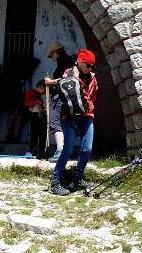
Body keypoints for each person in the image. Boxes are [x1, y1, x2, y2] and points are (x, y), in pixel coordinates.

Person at [48, 48, 100, 195]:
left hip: (87, 115)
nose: (90, 69)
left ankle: (78, 178)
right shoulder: (68, 74)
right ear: (80, 62)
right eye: (88, 65)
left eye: (92, 66)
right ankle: (55, 182)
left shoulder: (93, 77)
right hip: (69, 117)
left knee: (87, 148)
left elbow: (93, 95)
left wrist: (88, 107)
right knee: (68, 150)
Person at [42, 43, 74, 161]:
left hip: (60, 97)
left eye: (52, 55)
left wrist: (50, 82)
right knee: (64, 123)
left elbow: (65, 79)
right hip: (64, 97)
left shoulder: (63, 62)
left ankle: (60, 151)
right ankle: (64, 151)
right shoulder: (66, 61)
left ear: (56, 52)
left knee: (54, 122)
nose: (52, 58)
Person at [24, 80, 48, 158]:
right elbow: (26, 103)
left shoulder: (41, 95)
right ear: (41, 87)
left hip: (42, 115)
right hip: (35, 115)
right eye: (45, 89)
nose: (45, 91)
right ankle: (29, 151)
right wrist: (36, 102)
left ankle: (42, 152)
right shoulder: (31, 92)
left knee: (42, 134)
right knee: (33, 133)